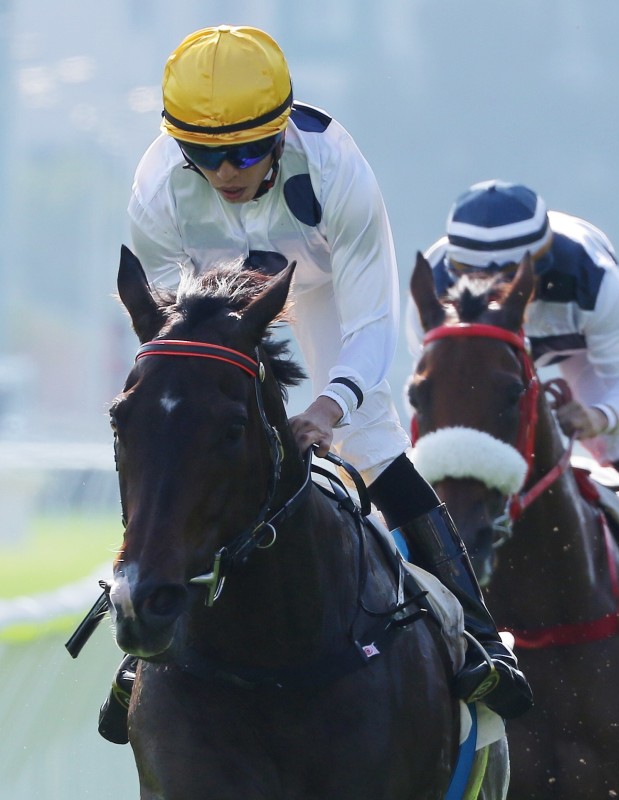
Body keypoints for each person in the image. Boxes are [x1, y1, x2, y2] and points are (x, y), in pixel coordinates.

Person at [97, 25, 532, 745]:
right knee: (177, 431)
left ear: (281, 132)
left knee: (369, 437)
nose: (226, 171)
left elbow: (373, 322)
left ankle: (479, 638)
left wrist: (329, 407)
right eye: (204, 155)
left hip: (325, 285)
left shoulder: (337, 170)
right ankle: (142, 624)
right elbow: (168, 327)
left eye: (245, 152)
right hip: (214, 297)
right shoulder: (156, 189)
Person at [406, 179, 619, 643]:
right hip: (485, 358)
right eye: (478, 282)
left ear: (536, 269)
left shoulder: (595, 280)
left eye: (508, 285)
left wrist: (596, 417)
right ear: (457, 270)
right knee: (446, 448)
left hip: (576, 354)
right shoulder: (433, 285)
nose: (495, 300)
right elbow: (435, 389)